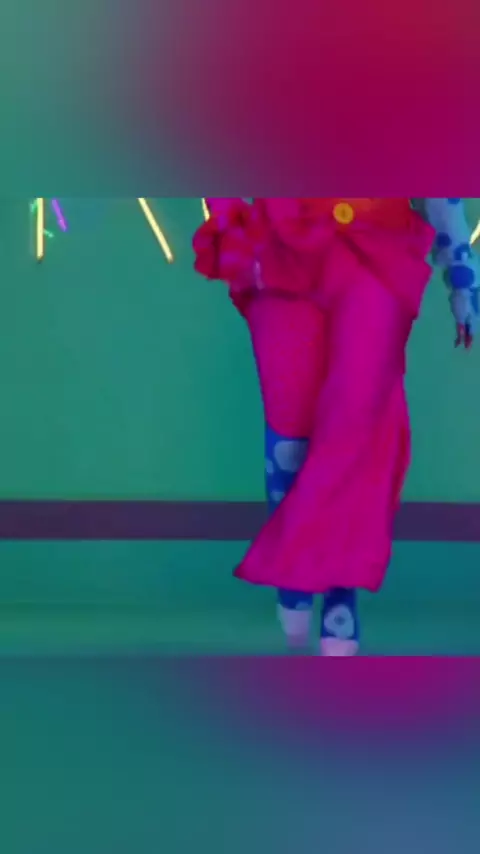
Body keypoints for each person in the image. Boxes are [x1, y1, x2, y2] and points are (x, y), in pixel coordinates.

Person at [193, 198, 479, 655]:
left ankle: (335, 590)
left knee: (359, 423)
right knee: (290, 431)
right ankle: (295, 571)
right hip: (283, 245)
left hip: (378, 249)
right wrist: (235, 222)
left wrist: (462, 274)